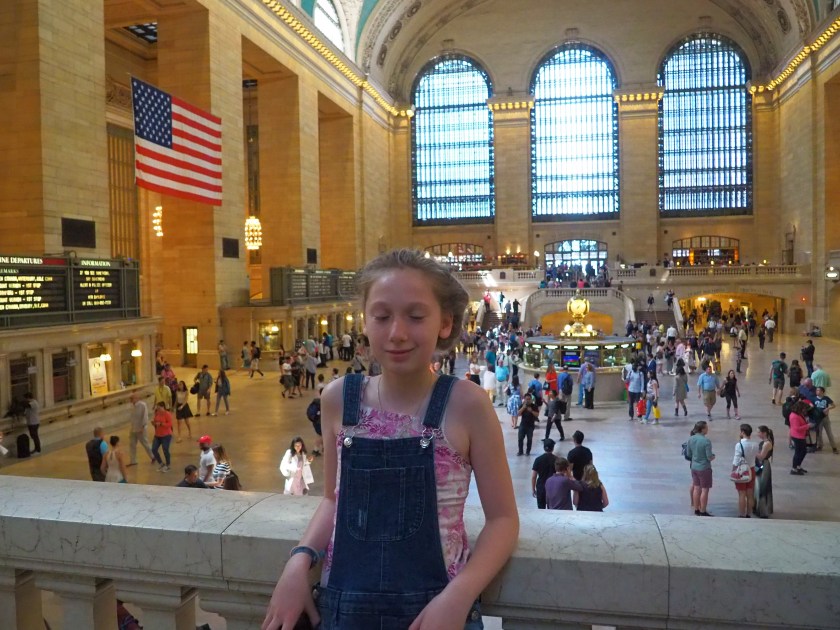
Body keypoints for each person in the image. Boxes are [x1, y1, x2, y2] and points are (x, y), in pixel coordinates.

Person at [262, 249, 518, 630]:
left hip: (437, 612)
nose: (397, 333)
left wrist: (459, 595)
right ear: (365, 321)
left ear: (445, 323)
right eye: (382, 317)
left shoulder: (467, 404)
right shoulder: (338, 398)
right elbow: (333, 500)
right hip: (344, 611)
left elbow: (503, 520)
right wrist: (298, 562)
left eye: (415, 316)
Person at [685, 420, 715, 516]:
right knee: (705, 490)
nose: (707, 429)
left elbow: (688, 454)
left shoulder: (691, 439)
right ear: (702, 429)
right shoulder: (706, 441)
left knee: (696, 488)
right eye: (706, 428)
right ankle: (703, 510)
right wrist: (713, 456)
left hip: (694, 467)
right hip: (704, 467)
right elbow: (709, 457)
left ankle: (696, 509)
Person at [732, 424, 760, 518]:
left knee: (741, 493)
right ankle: (749, 513)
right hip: (751, 469)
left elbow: (736, 460)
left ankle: (741, 514)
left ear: (743, 432)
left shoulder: (739, 445)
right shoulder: (755, 444)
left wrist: (733, 470)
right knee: (750, 493)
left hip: (741, 470)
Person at [127, 392, 154, 466]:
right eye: (130, 398)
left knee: (145, 443)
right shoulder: (132, 406)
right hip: (133, 428)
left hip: (141, 428)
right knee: (132, 444)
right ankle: (133, 460)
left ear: (137, 398)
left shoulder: (142, 405)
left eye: (132, 398)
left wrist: (143, 427)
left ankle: (153, 456)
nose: (131, 400)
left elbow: (145, 416)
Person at [789, 400, 814, 475]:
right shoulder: (794, 416)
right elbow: (797, 428)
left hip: (800, 435)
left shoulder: (798, 414)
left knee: (803, 451)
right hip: (797, 436)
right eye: (803, 409)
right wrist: (808, 426)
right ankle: (794, 468)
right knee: (798, 452)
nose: (804, 410)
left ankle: (798, 466)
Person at [531, 438, 557, 509]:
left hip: (541, 487)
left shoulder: (538, 460)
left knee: (541, 508)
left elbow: (534, 476)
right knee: (552, 509)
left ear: (544, 448)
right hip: (553, 487)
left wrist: (533, 489)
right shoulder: (557, 460)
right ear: (553, 448)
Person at [754, 425, 774, 519]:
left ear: (764, 433)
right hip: (760, 465)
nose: (757, 434)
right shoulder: (763, 442)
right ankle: (758, 508)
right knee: (758, 486)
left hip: (764, 465)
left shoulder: (767, 444)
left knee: (763, 487)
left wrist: (753, 451)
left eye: (759, 432)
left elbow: (762, 456)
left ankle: (763, 510)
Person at [812, 387, 838, 453]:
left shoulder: (826, 398)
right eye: (816, 390)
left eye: (818, 390)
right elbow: (812, 408)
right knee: (819, 433)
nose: (817, 391)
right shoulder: (814, 399)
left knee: (829, 433)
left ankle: (834, 447)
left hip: (825, 418)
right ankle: (820, 445)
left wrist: (828, 408)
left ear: (822, 392)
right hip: (818, 419)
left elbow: (833, 405)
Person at [151, 401, 173, 472]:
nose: (158, 409)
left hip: (166, 435)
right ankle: (161, 463)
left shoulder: (167, 414)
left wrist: (161, 424)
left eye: (159, 408)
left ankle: (168, 465)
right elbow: (155, 422)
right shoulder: (157, 413)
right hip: (157, 435)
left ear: (163, 407)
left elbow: (170, 424)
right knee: (154, 449)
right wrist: (154, 423)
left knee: (165, 450)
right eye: (157, 408)